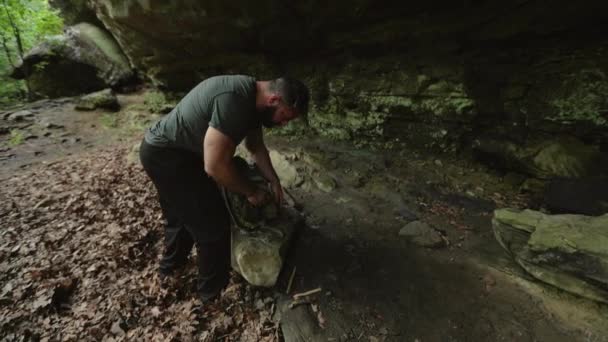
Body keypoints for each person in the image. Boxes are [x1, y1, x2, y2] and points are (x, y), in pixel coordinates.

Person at [139, 75, 310, 300]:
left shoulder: (252, 100)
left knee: (181, 216)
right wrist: (252, 191)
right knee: (212, 225)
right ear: (274, 100)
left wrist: (274, 180)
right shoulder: (235, 102)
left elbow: (255, 146)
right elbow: (215, 166)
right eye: (284, 117)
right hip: (167, 156)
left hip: (172, 150)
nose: (283, 123)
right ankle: (211, 294)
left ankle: (169, 270)